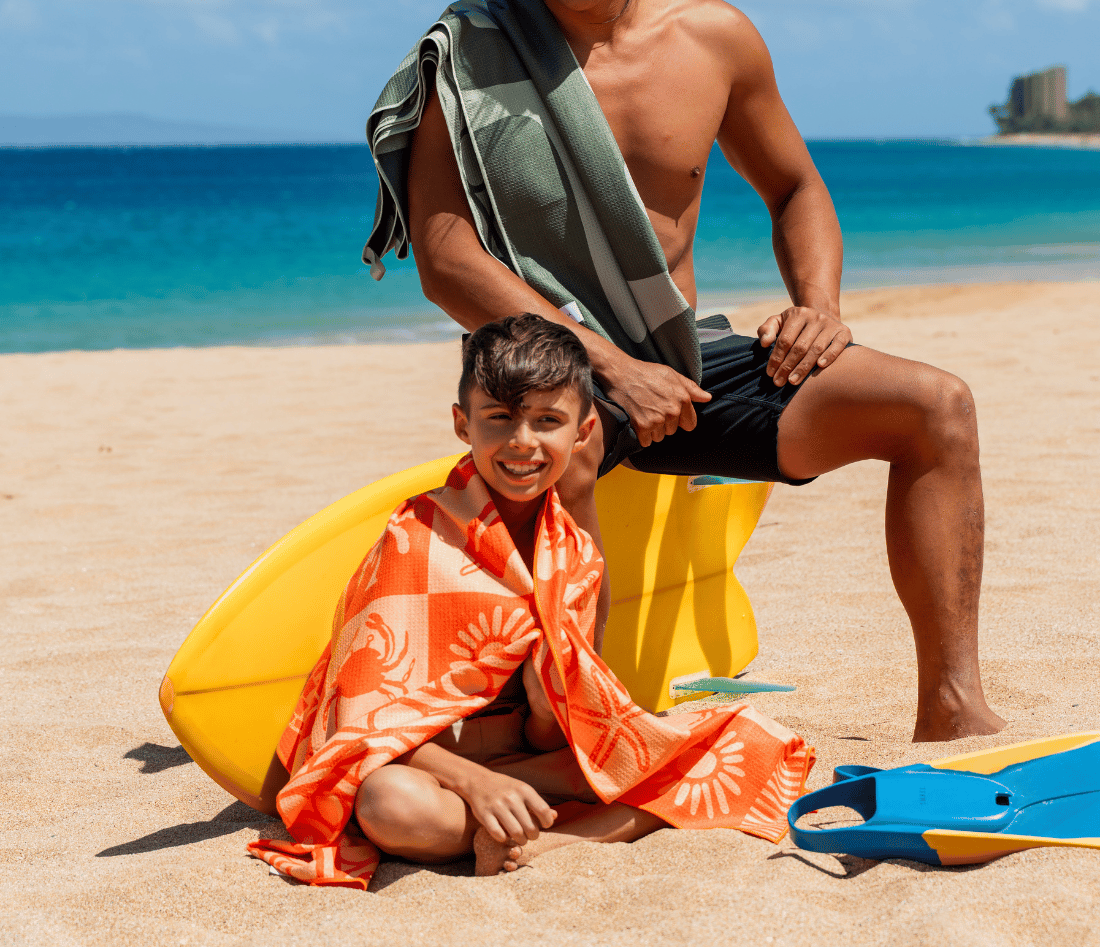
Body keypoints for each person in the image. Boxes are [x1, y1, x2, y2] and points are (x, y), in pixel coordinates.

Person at [361, 0, 1004, 744]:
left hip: (683, 364)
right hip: (556, 372)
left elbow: (795, 189)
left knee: (936, 406)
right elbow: (448, 256)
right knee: (561, 442)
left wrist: (817, 307)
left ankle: (951, 707)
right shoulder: (465, 60)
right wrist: (602, 365)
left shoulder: (713, 39)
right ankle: (568, 734)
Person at [247, 315, 813, 887]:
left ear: (583, 430)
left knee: (729, 742)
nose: (523, 442)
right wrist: (475, 782)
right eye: (499, 419)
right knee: (390, 806)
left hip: (533, 763)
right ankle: (535, 821)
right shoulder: (417, 537)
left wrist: (546, 711)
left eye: (548, 421)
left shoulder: (567, 545)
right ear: (462, 425)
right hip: (427, 767)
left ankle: (548, 843)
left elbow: (571, 715)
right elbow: (362, 721)